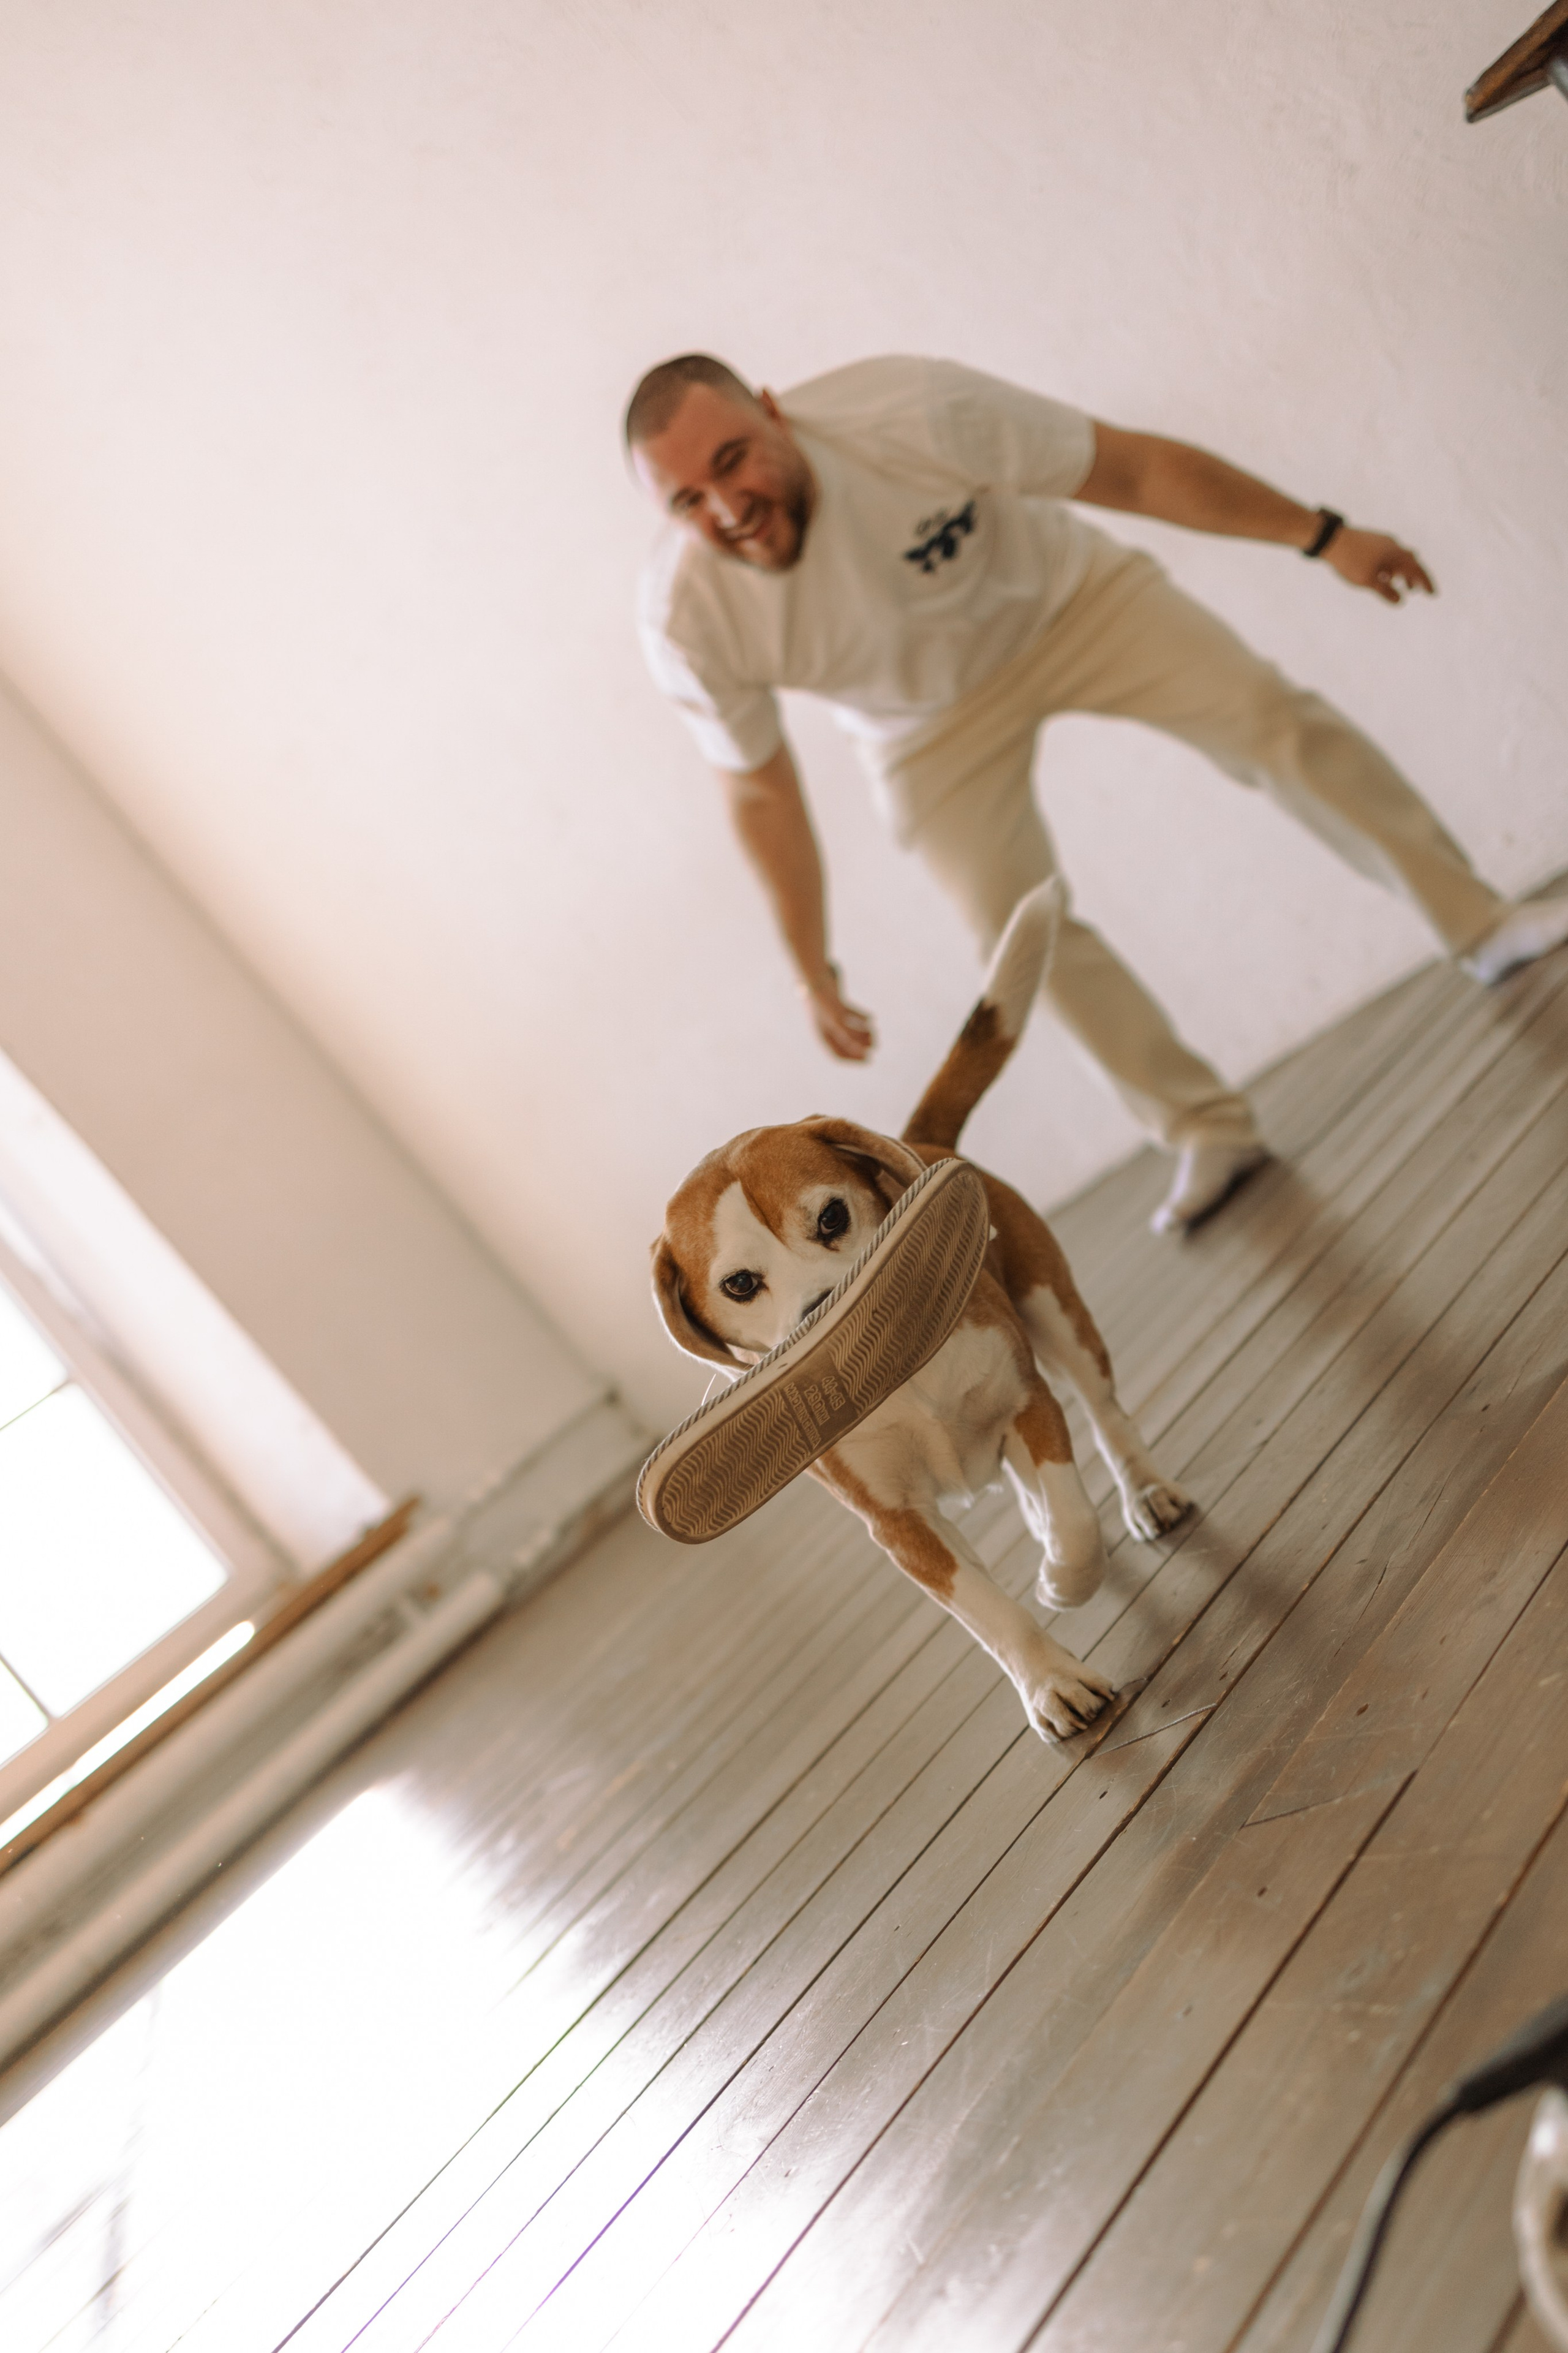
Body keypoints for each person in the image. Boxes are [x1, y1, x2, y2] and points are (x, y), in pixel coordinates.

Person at [627, 353, 1568, 1232]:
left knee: (1269, 721)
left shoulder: (908, 412)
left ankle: (1481, 927)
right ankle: (1203, 1127)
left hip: (1074, 605)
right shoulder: (688, 620)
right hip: (922, 728)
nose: (726, 505)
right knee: (1014, 932)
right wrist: (811, 967)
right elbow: (761, 792)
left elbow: (1132, 471)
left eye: (734, 459)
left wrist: (1323, 537)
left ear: (774, 411)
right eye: (687, 498)